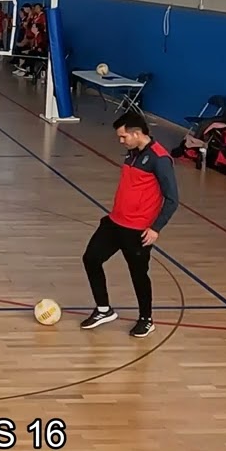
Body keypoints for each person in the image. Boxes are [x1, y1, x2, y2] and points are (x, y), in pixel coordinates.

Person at [80, 112, 179, 338]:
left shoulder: (160, 159)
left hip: (138, 230)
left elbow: (172, 199)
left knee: (138, 274)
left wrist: (156, 228)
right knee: (91, 258)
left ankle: (146, 319)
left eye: (123, 137)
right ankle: (104, 310)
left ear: (137, 133)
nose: (121, 141)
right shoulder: (133, 153)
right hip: (115, 222)